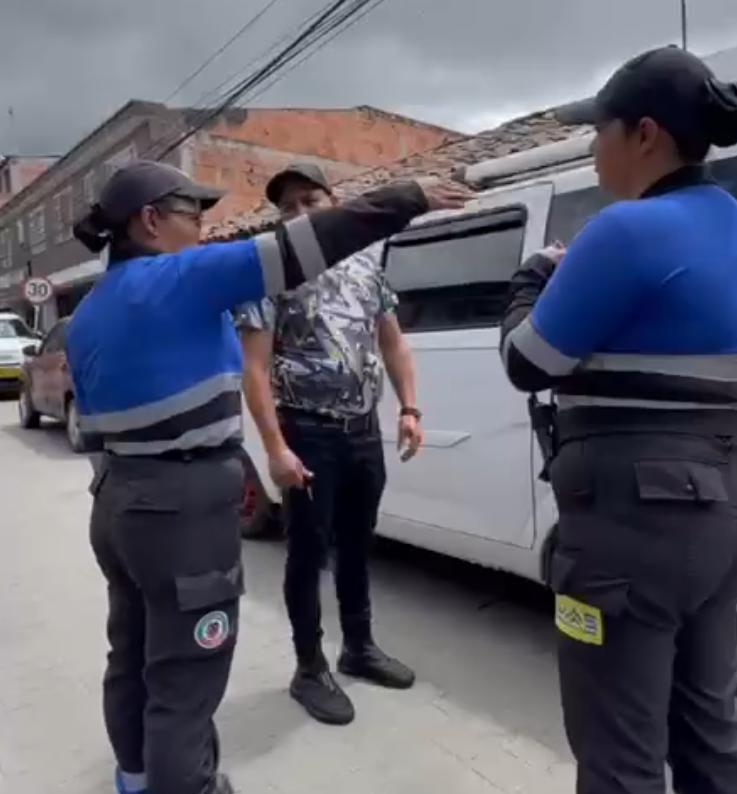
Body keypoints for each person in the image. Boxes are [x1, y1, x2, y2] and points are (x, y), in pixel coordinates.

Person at [66, 159, 471, 794]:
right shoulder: (176, 278)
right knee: (185, 674)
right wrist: (406, 197)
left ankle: (136, 778)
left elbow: (91, 429)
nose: (202, 228)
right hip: (182, 509)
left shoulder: (90, 311)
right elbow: (298, 247)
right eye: (193, 215)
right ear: (150, 221)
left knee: (134, 653)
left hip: (119, 500)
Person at [500, 46, 737, 794]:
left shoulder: (622, 232)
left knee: (619, 749)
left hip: (631, 529)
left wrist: (531, 277)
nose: (593, 146)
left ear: (643, 134)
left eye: (600, 130)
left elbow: (528, 362)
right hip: (726, 506)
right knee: (711, 728)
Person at [234, 163, 423, 727]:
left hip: (362, 432)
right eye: (287, 207)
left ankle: (358, 648)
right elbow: (255, 367)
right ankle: (309, 667)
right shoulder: (270, 273)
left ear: (333, 203)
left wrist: (409, 408)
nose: (298, 214)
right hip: (307, 433)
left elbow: (394, 345)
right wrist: (274, 448)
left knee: (358, 545)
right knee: (308, 553)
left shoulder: (367, 266)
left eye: (310, 201)